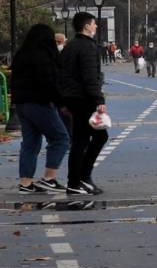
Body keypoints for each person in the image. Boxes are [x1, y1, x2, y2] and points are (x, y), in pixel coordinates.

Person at [11, 24, 71, 194]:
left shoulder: (21, 54)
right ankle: (49, 178)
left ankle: (26, 182)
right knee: (60, 138)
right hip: (40, 103)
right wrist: (61, 104)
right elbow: (49, 83)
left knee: (30, 143)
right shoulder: (43, 56)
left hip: (22, 105)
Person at [60, 12, 110, 195]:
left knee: (89, 138)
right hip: (83, 99)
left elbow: (62, 74)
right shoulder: (87, 47)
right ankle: (76, 180)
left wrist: (62, 100)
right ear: (86, 26)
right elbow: (90, 77)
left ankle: (81, 178)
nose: (96, 26)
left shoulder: (70, 46)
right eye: (94, 24)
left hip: (72, 98)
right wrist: (99, 100)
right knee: (86, 139)